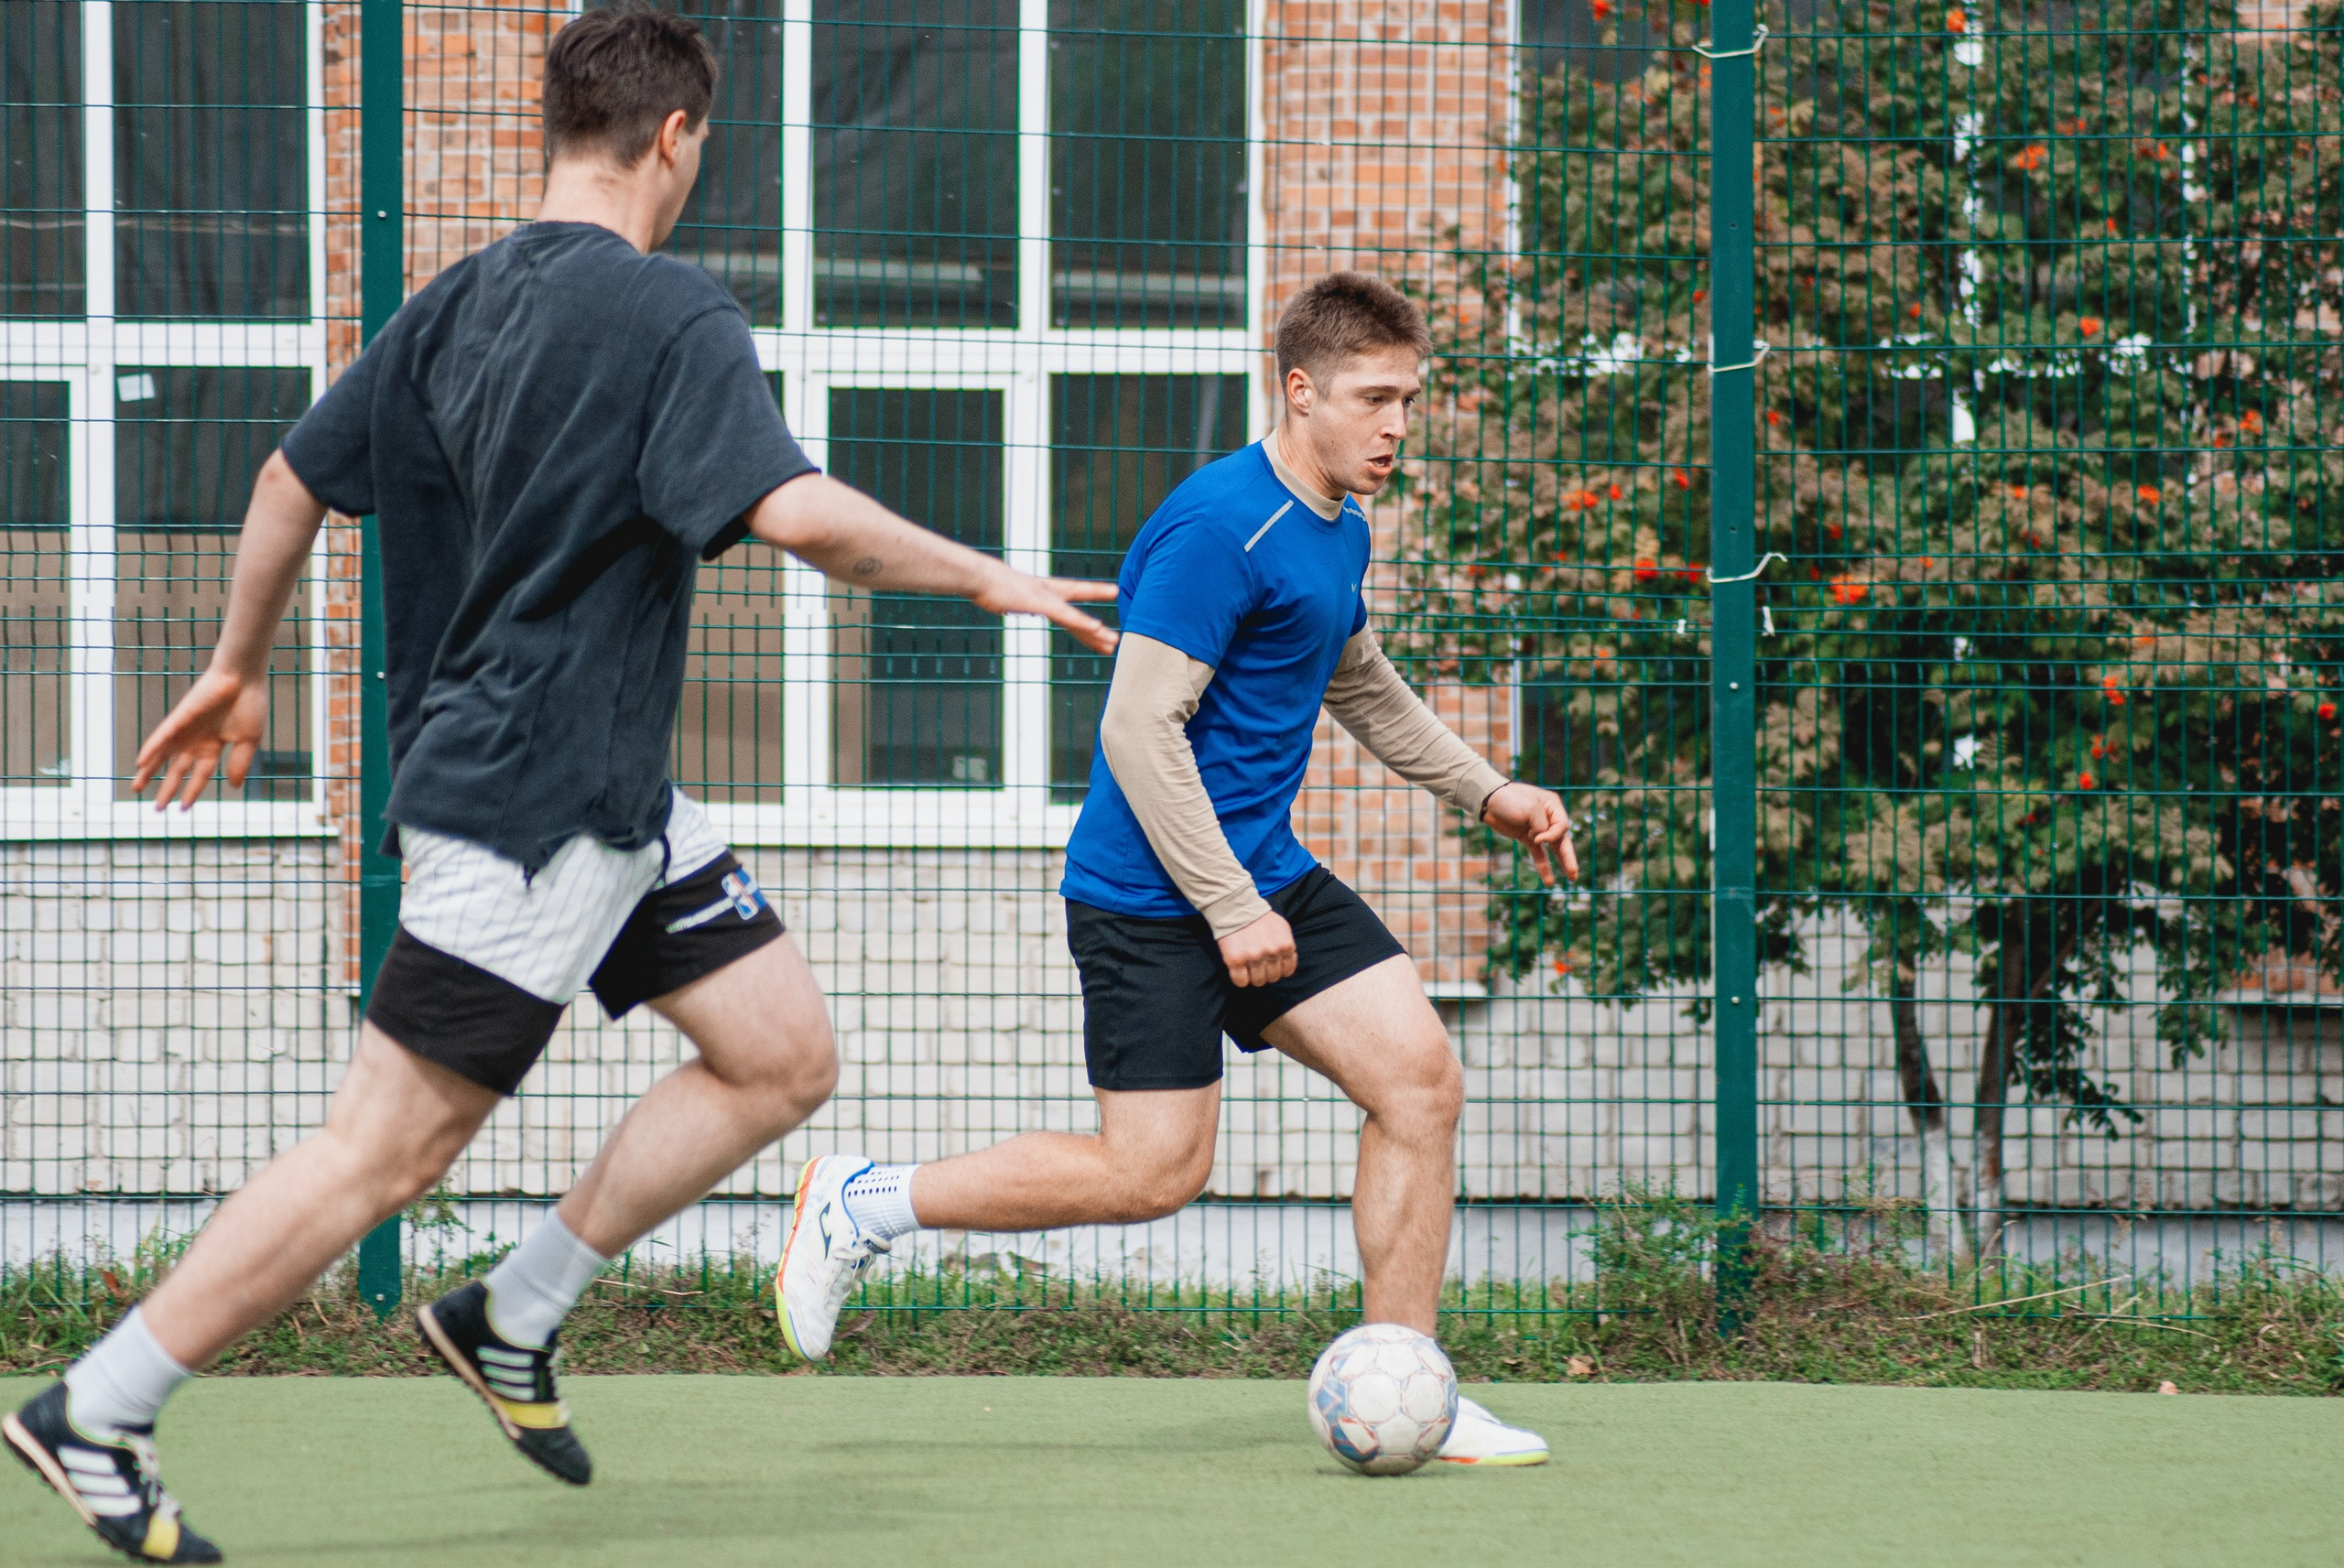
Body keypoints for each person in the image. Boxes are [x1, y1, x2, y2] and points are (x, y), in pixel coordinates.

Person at [1, 9, 1114, 1561]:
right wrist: (985, 577)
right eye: (701, 143)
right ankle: (97, 1405)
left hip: (612, 798)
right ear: (677, 137)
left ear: (562, 125)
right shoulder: (675, 314)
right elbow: (795, 512)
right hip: (526, 808)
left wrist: (238, 665)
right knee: (379, 1153)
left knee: (781, 1054)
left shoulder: (455, 301)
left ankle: (511, 1313)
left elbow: (285, 480)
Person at [774, 271, 1579, 1465]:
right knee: (1153, 1174)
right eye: (1372, 399)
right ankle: (862, 1199)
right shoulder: (1219, 529)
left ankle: (1412, 1378)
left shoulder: (1337, 521)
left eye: (1408, 399)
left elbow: (1353, 675)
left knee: (1420, 1084)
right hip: (1152, 899)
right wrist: (1229, 902)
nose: (1395, 427)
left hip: (1259, 874)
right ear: (1298, 390)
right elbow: (1135, 731)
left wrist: (1486, 787)